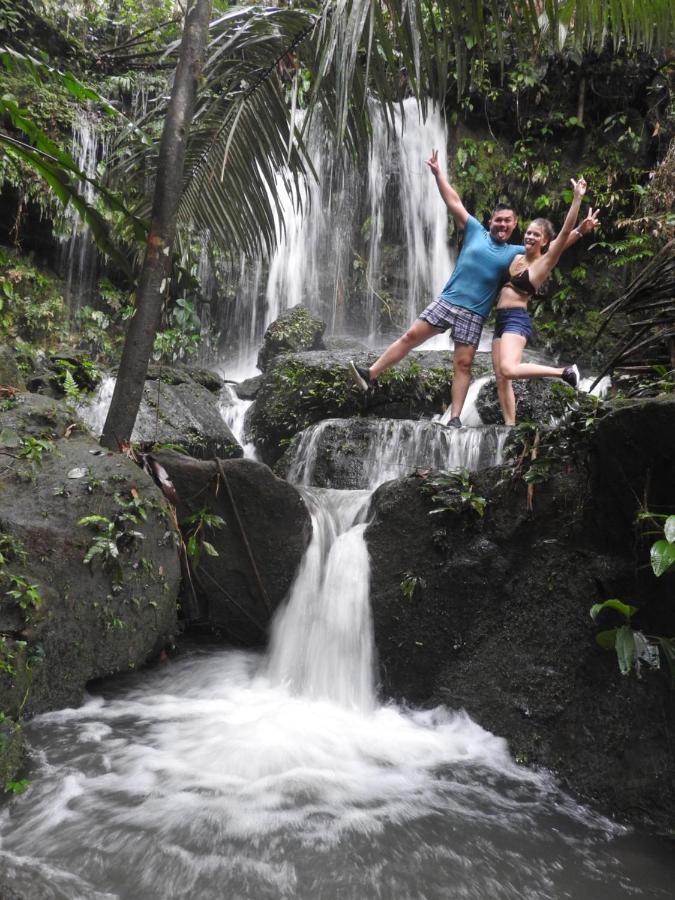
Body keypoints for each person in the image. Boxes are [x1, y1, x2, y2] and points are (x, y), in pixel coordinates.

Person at [348, 148, 527, 427]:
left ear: (514, 225)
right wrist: (438, 174)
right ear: (490, 221)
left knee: (462, 364)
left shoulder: (516, 252)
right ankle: (370, 375)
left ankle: (454, 417)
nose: (502, 225)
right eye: (498, 220)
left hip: (473, 313)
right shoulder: (475, 230)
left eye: (507, 221)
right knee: (410, 336)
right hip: (448, 300)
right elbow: (453, 201)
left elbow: (548, 251)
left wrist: (577, 231)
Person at [491, 179, 600, 425]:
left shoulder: (543, 263)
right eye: (528, 232)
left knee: (509, 369)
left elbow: (562, 236)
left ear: (544, 241)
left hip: (516, 320)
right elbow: (566, 238)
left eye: (536, 235)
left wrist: (577, 199)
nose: (529, 236)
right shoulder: (518, 256)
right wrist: (581, 231)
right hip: (500, 321)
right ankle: (510, 426)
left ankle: (564, 372)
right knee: (501, 377)